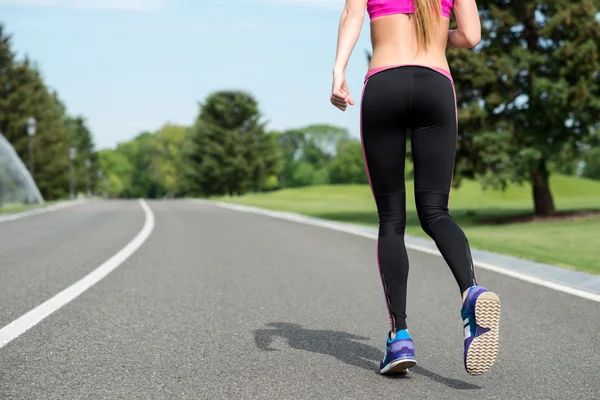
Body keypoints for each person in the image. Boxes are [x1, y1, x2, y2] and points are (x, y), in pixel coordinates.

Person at [330, 0, 501, 376]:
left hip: (385, 84)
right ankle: (470, 290)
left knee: (391, 219)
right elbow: (472, 36)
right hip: (435, 85)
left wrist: (338, 71)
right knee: (436, 212)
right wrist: (437, 34)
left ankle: (400, 336)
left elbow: (351, 16)